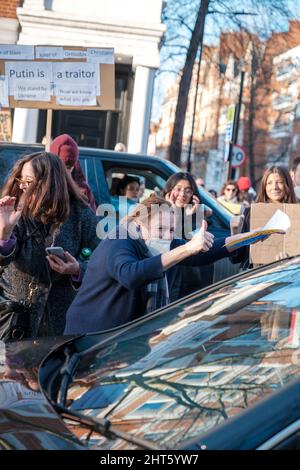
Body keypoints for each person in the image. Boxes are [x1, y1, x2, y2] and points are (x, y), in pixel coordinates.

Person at [64, 194, 259, 335]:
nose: (167, 236)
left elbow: (206, 251)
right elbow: (130, 275)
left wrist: (249, 237)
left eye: (172, 230)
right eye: (160, 229)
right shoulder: (120, 240)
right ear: (140, 226)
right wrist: (187, 249)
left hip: (119, 337)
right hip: (89, 334)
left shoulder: (162, 243)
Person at [0, 152, 99, 338]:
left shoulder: (82, 215)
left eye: (29, 182)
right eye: (21, 180)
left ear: (50, 183)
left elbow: (101, 261)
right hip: (13, 321)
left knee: (52, 367)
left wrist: (77, 270)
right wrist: (4, 232)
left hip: (61, 324)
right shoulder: (13, 210)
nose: (22, 187)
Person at [232, 165, 297, 268]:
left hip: (288, 276)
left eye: (279, 182)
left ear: (287, 184)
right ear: (264, 186)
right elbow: (236, 257)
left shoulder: (297, 215)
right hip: (255, 277)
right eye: (269, 183)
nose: (274, 187)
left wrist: (292, 260)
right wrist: (235, 232)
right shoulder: (251, 213)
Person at [162, 172, 213, 301]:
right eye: (178, 189)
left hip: (190, 283)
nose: (182, 194)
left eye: (188, 190)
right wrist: (173, 209)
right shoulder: (158, 212)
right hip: (168, 279)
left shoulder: (197, 215)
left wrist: (190, 215)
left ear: (193, 195)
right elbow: (171, 239)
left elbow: (198, 245)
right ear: (169, 190)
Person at [50, 134, 97, 212]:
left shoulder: (83, 190)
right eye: (62, 167)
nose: (66, 173)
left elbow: (92, 221)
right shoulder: (42, 187)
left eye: (69, 167)